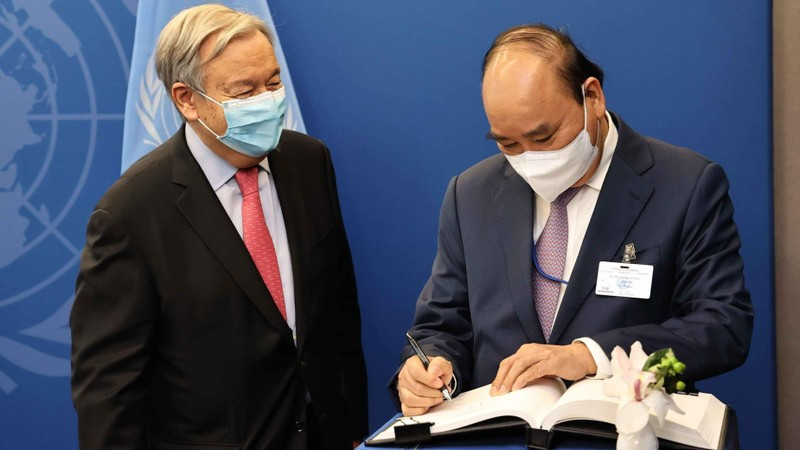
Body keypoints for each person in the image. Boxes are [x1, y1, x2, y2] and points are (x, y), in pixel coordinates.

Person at [392, 24, 753, 416]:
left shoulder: (684, 185)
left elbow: (722, 326)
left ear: (592, 97)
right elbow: (441, 326)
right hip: (499, 435)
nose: (529, 158)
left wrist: (590, 356)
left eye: (544, 138)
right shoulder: (471, 193)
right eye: (508, 143)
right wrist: (428, 366)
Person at [70, 5, 367, 449]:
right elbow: (109, 393)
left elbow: (337, 318)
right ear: (187, 99)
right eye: (244, 92)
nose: (267, 102)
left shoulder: (309, 162)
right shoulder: (130, 214)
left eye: (272, 83)